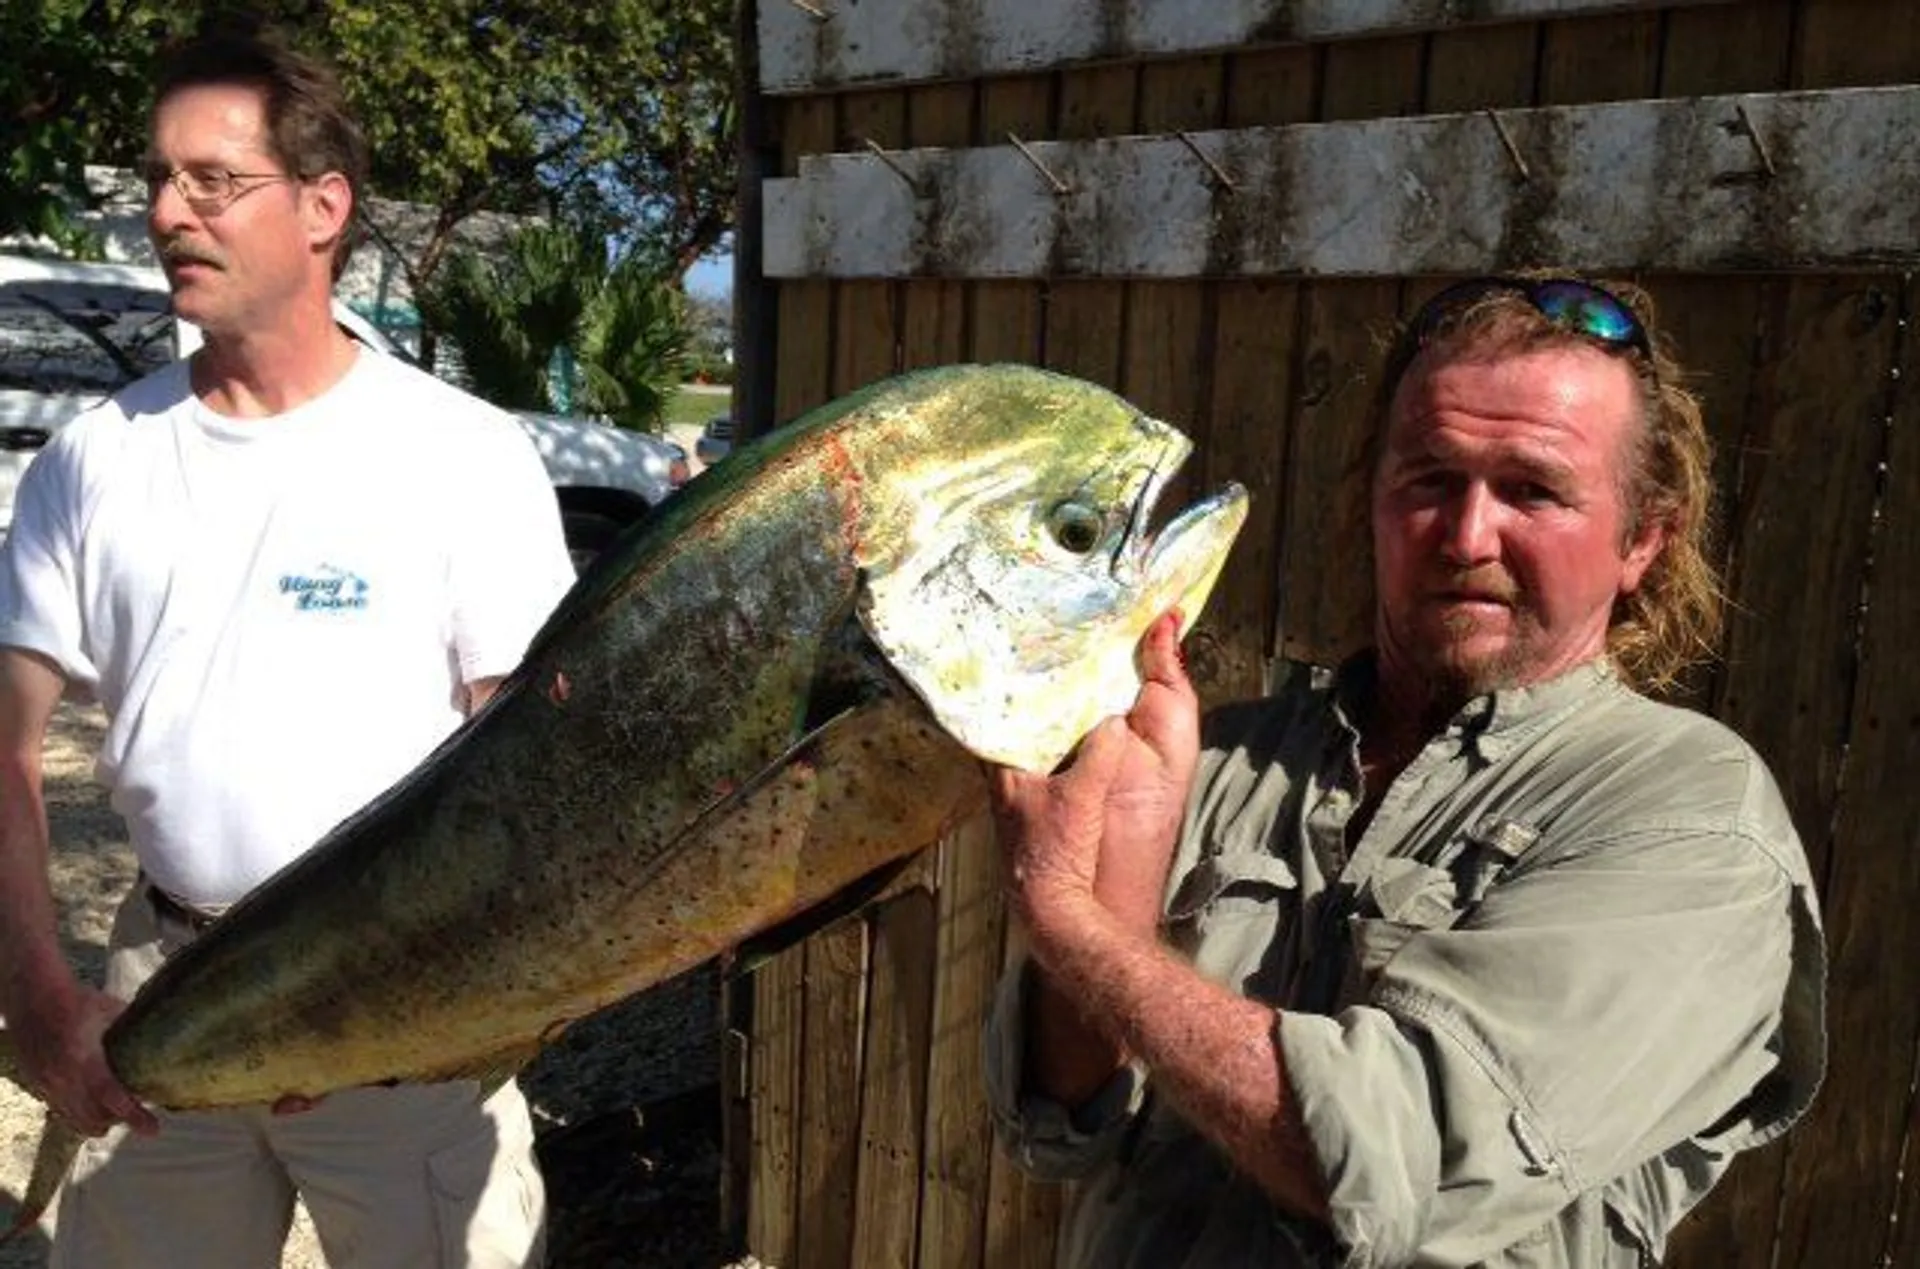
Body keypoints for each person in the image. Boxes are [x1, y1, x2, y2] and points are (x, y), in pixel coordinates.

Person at [984, 275, 1827, 1267]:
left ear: (1644, 538)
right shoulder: (1217, 756)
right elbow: (1058, 1124)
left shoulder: (1690, 818)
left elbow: (1389, 1163)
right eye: (1429, 480)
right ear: (1373, 503)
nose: (1467, 537)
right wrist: (1120, 861)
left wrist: (1066, 916)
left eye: (1533, 490)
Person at [0, 24, 572, 1269]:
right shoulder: (93, 462)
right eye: (160, 178)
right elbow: (6, 747)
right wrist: (37, 996)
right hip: (164, 993)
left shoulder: (463, 455)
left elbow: (528, 768)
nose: (169, 213)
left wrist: (439, 996)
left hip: (401, 998)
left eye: (214, 181)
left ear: (324, 207)